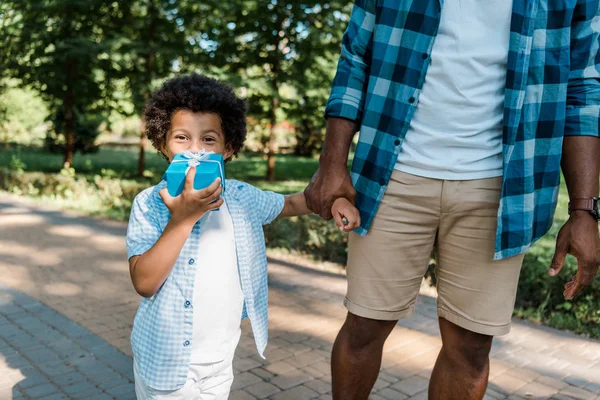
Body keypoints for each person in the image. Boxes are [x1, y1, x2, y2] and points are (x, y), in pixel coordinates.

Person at [304, 1, 600, 399]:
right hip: (393, 173)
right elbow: (356, 56)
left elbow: (583, 86)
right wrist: (332, 162)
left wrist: (584, 209)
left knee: (472, 347)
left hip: (502, 187)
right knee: (364, 326)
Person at [126, 73, 360, 399]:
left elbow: (294, 202)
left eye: (208, 140)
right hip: (165, 360)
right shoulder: (150, 203)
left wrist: (333, 199)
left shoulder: (241, 198)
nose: (195, 150)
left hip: (219, 360)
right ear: (163, 143)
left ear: (228, 147)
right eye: (182, 138)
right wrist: (182, 219)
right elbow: (144, 282)